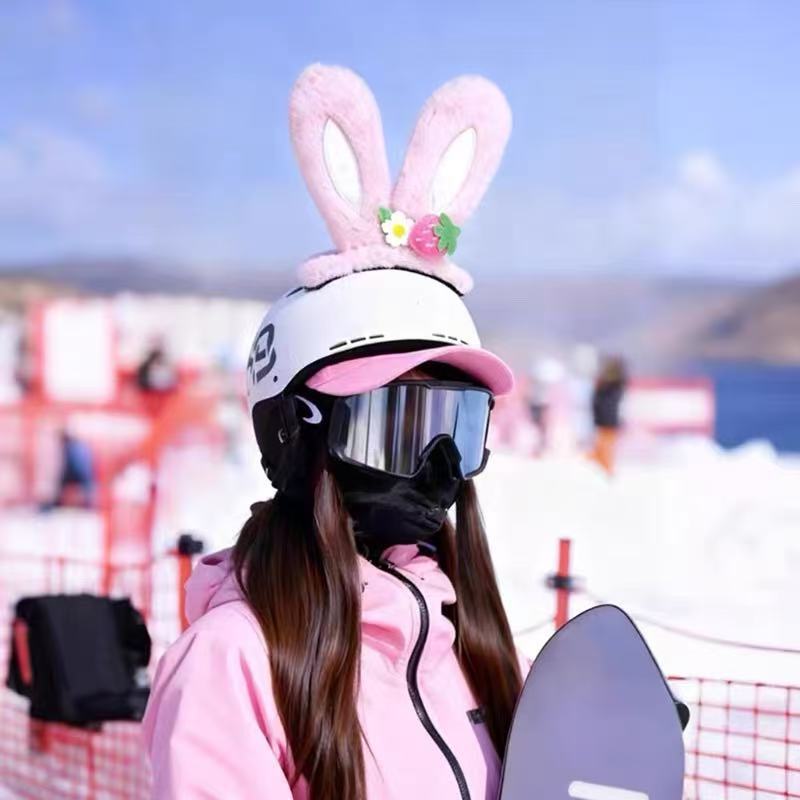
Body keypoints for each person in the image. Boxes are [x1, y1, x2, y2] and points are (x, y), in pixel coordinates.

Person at [142, 64, 527, 799]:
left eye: (459, 423)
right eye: (396, 423)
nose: (439, 464)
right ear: (296, 432)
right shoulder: (236, 666)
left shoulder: (471, 648)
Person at [589, 355, 629, 474]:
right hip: (605, 420)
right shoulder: (610, 385)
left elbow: (604, 403)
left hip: (608, 420)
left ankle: (606, 469)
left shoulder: (613, 386)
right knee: (603, 445)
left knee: (605, 446)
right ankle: (604, 467)